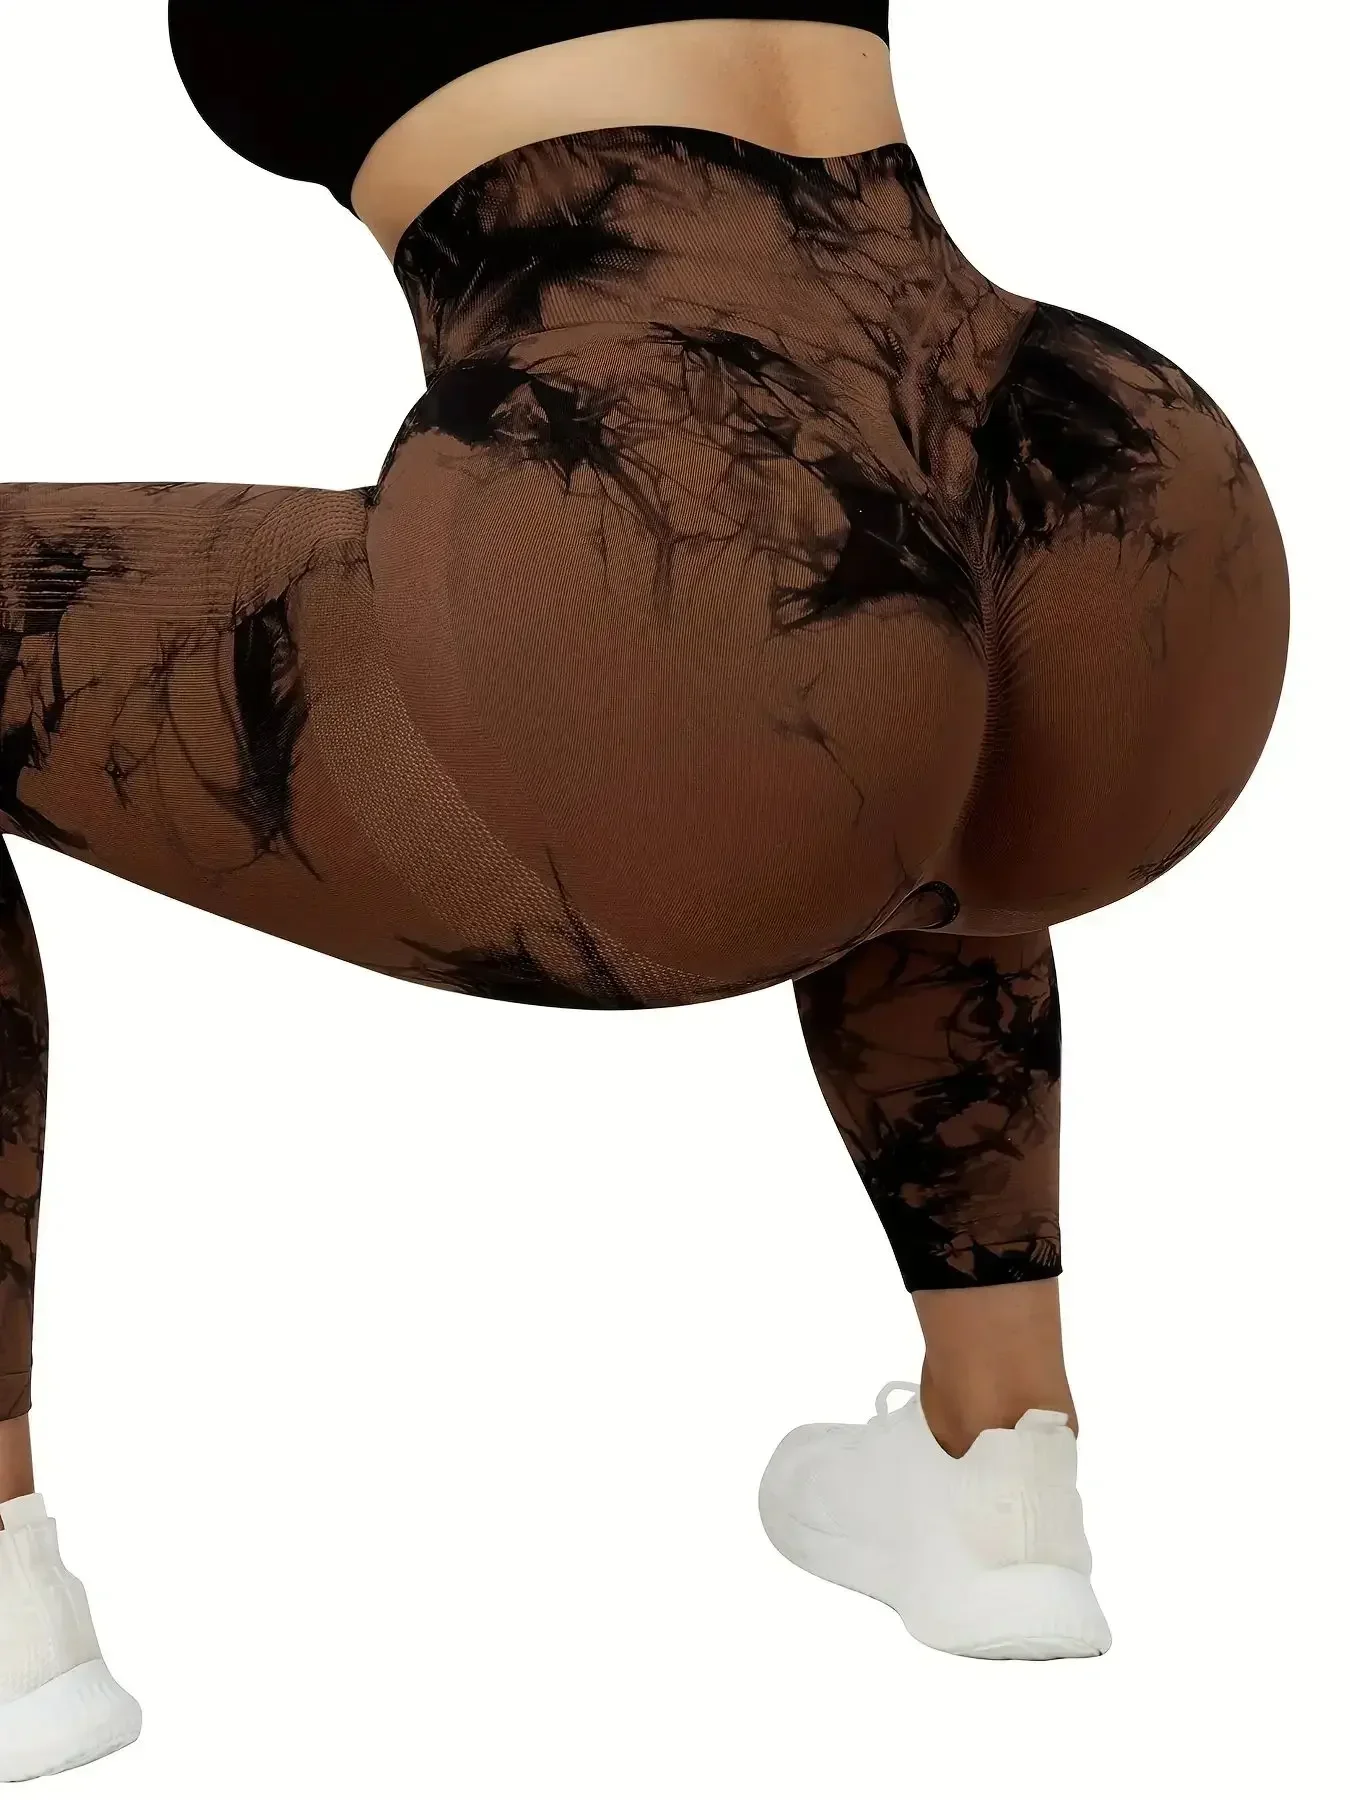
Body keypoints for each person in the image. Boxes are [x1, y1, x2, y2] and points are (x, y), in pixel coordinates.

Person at [0, 3, 1289, 1777]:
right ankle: (999, 1476)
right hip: (1069, 457)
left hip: (678, 482)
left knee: (802, 663)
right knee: (894, 769)